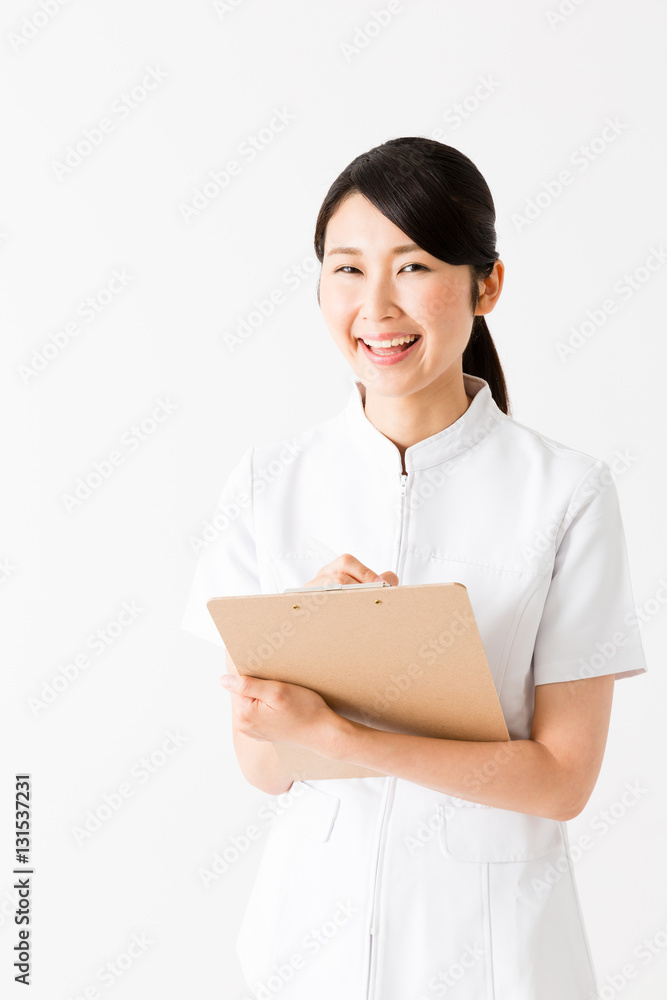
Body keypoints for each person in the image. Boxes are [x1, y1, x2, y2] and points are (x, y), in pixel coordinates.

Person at [181, 137, 648, 999]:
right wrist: (298, 640)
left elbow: (561, 780)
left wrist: (345, 737)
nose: (375, 306)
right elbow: (262, 768)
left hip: (494, 952)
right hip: (307, 950)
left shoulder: (565, 492)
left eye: (414, 265)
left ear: (487, 285)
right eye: (346, 269)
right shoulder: (265, 485)